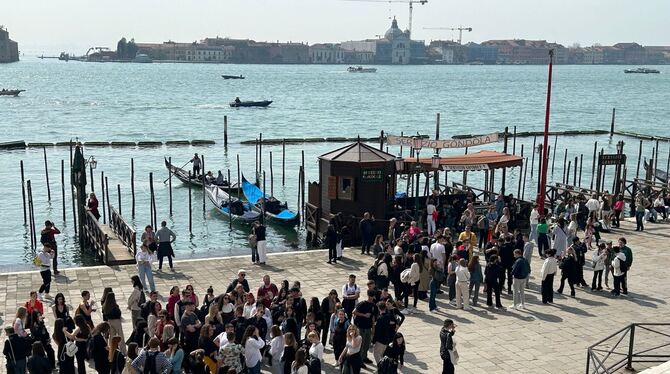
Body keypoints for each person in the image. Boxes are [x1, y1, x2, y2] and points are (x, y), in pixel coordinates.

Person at [353, 289, 377, 367]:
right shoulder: (362, 304)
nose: (371, 298)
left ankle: (364, 357)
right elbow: (354, 312)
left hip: (368, 327)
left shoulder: (373, 305)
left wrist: (373, 328)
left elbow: (373, 317)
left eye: (372, 296)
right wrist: (364, 315)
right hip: (361, 327)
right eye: (370, 296)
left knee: (367, 343)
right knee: (361, 344)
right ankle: (359, 360)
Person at [372, 301, 396, 365]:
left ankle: (381, 368)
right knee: (382, 354)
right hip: (386, 339)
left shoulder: (380, 318)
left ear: (379, 308)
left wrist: (374, 340)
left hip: (380, 340)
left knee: (376, 354)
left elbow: (377, 331)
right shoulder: (388, 316)